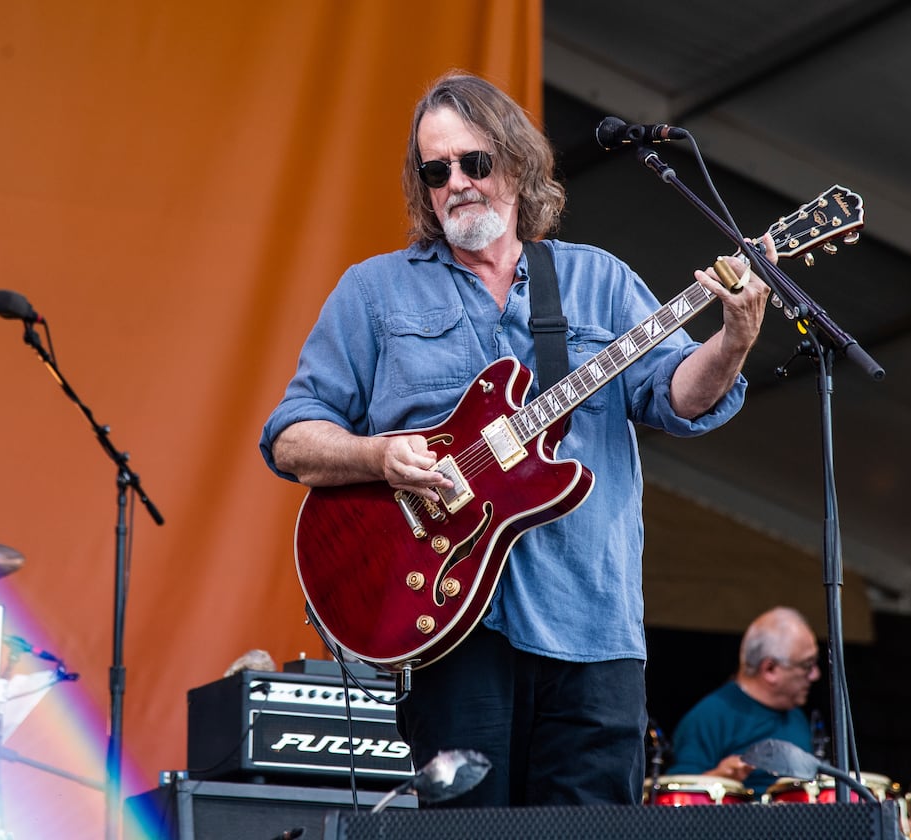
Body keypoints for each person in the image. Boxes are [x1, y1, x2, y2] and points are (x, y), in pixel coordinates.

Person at [259, 71, 774, 808]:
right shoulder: (374, 293)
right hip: (450, 625)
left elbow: (675, 396)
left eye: (475, 162)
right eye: (436, 171)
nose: (458, 184)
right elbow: (291, 438)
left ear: (519, 163)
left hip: (593, 627)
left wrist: (732, 341)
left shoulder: (599, 282)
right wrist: (379, 455)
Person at [666, 606, 821, 796]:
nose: (815, 675)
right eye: (807, 665)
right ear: (770, 669)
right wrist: (717, 779)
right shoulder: (708, 718)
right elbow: (676, 802)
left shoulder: (796, 716)